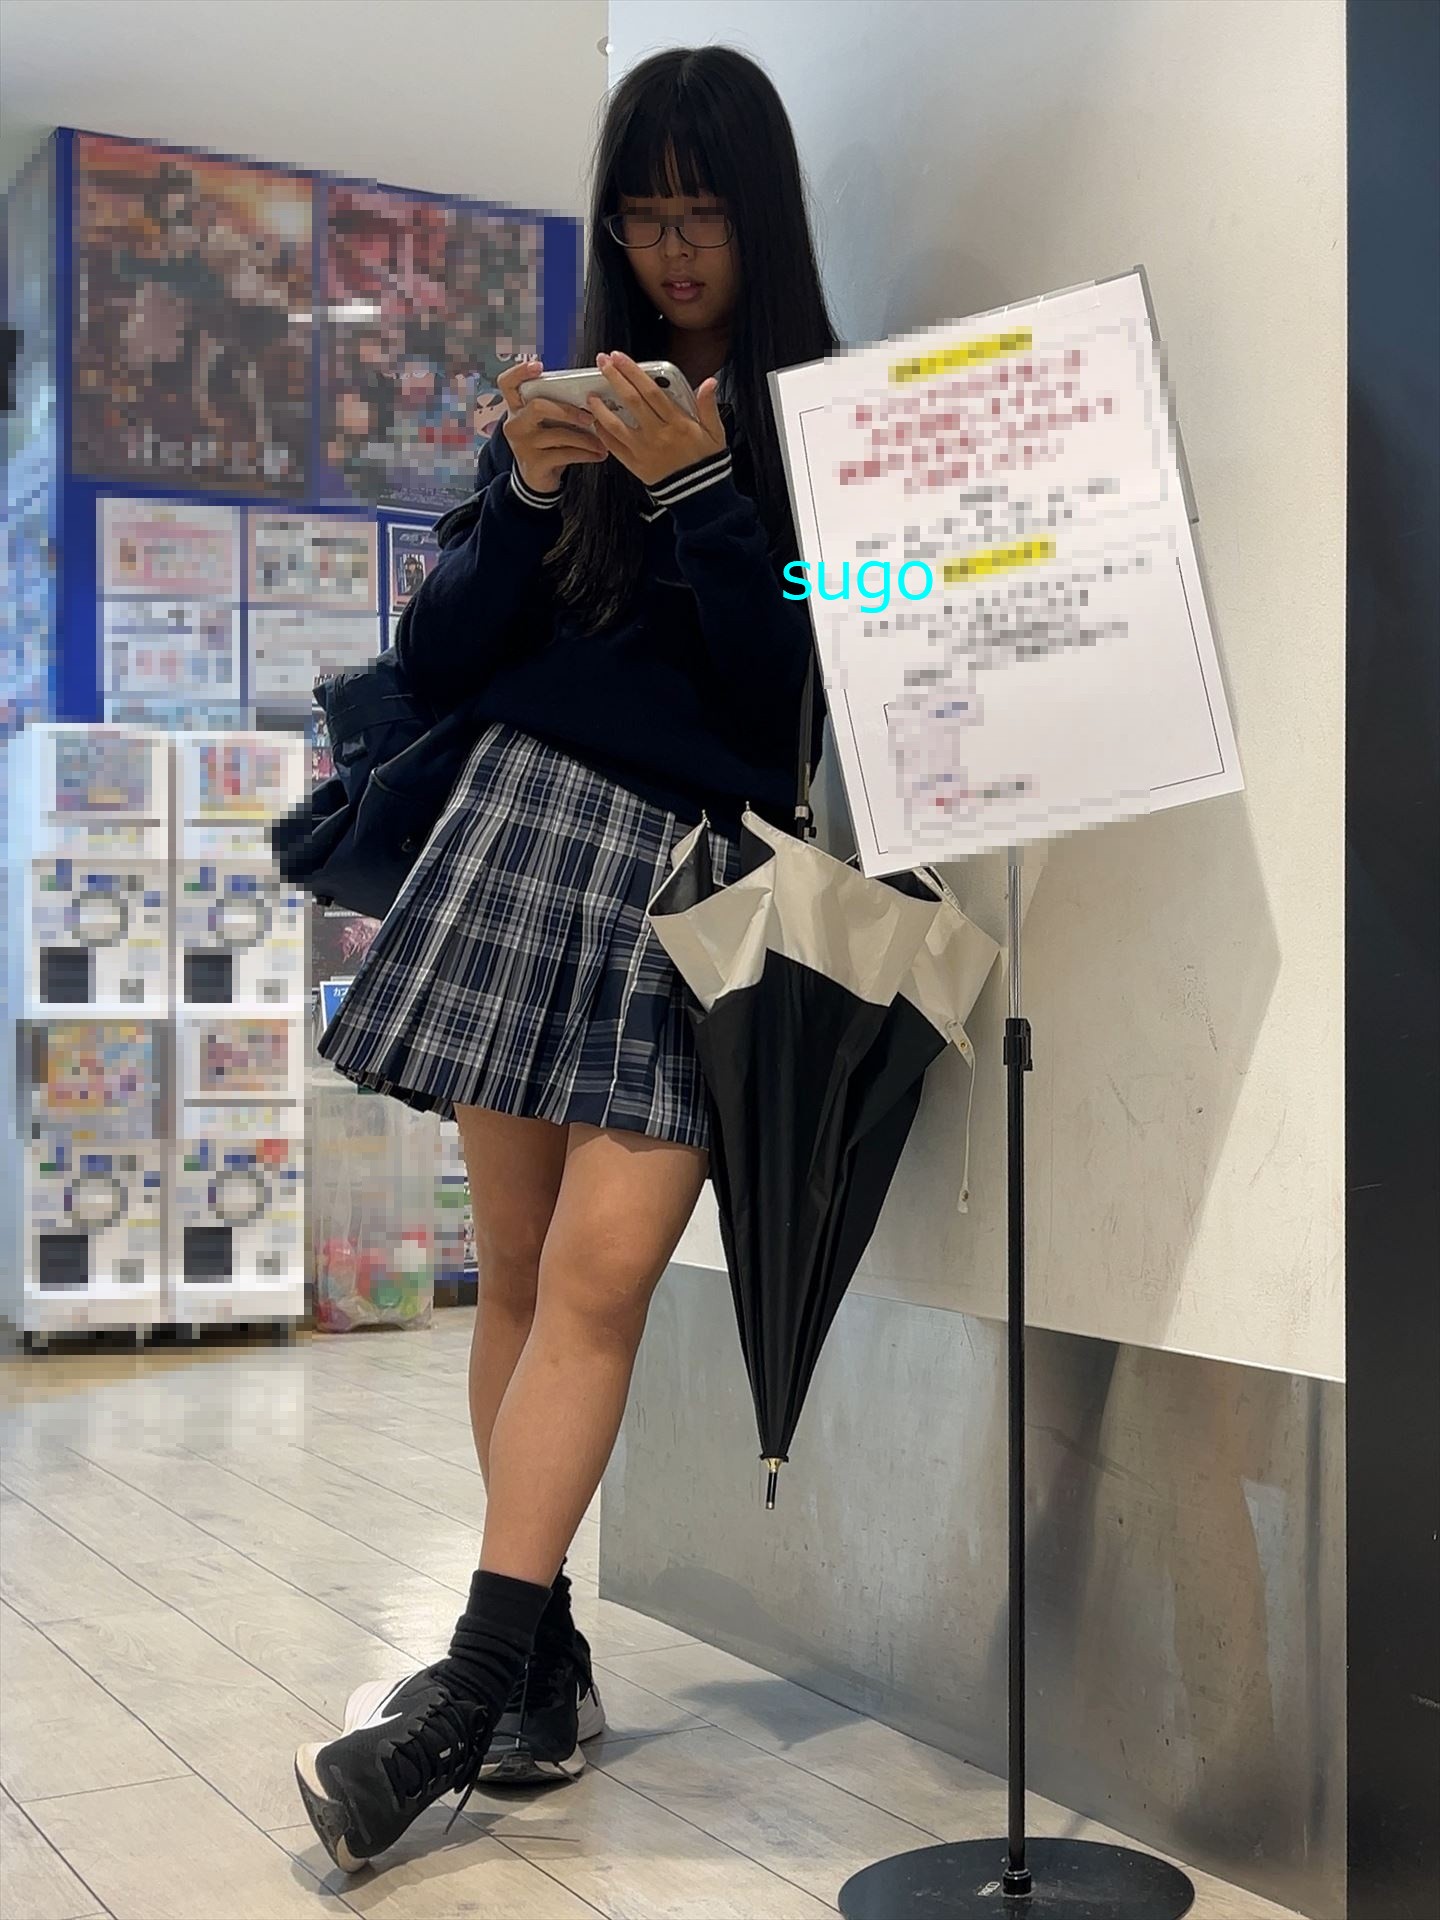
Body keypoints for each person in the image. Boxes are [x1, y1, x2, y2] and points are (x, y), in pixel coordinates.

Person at [293, 44, 839, 1872]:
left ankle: (466, 1691)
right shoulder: (567, 405)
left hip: (693, 881)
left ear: (761, 221)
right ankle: (544, 1662)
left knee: (602, 1276)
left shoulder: (810, 420)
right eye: (644, 216)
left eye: (705, 216)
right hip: (522, 838)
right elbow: (442, 658)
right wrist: (523, 497)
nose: (673, 251)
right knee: (520, 1275)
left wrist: (707, 496)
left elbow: (802, 688)